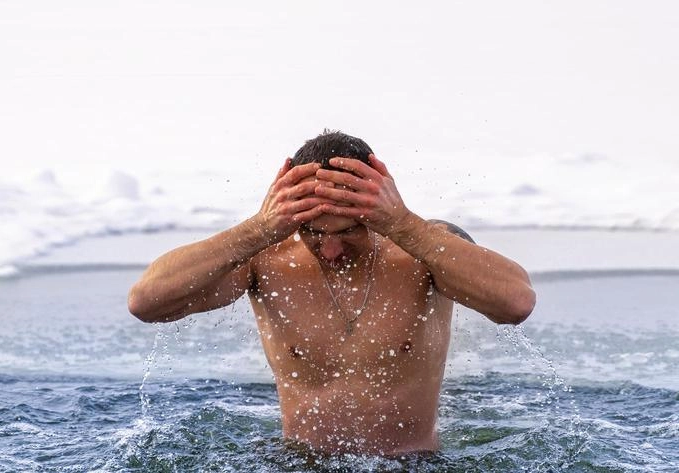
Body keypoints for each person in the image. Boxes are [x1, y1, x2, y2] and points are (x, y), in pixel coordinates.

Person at [127, 130, 536, 457]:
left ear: (379, 202)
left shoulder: (425, 250)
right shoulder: (266, 259)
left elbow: (516, 302)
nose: (331, 249)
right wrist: (259, 228)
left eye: (347, 231)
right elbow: (146, 301)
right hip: (296, 463)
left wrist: (404, 224)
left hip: (411, 464)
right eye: (313, 231)